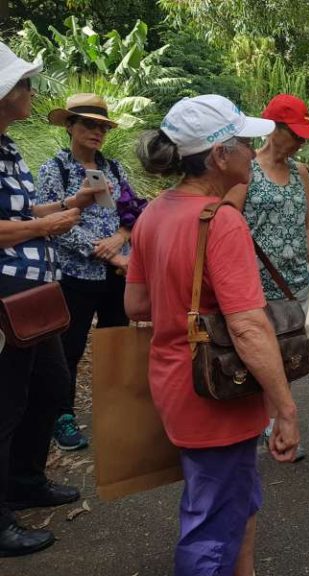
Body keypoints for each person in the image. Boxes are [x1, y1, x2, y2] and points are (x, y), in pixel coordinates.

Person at [126, 94, 300, 576]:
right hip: (216, 392)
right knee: (211, 529)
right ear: (220, 155)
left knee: (231, 503)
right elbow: (247, 327)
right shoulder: (221, 221)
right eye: (244, 142)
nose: (252, 152)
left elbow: (136, 305)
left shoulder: (154, 213)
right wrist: (285, 409)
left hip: (174, 383)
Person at [0, 41, 97, 557]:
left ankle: (25, 480)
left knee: (49, 385)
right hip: (6, 296)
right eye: (24, 84)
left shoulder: (8, 146)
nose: (31, 92)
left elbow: (18, 209)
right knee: (6, 402)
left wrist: (63, 205)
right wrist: (45, 226)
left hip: (34, 292)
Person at [39, 93, 141, 451]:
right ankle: (62, 416)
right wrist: (109, 254)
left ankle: (116, 411)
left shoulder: (114, 169)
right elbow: (53, 224)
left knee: (117, 344)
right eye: (88, 125)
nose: (97, 132)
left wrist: (121, 238)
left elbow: (133, 209)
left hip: (116, 276)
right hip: (75, 275)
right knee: (68, 348)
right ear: (70, 126)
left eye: (102, 127)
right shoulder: (55, 169)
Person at [227, 93, 309, 461]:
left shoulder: (300, 172)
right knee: (261, 358)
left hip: (295, 284)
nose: (300, 142)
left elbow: (306, 221)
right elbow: (228, 222)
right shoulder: (246, 170)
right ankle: (267, 425)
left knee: (287, 356)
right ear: (272, 129)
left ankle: (274, 424)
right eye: (294, 134)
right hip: (255, 286)